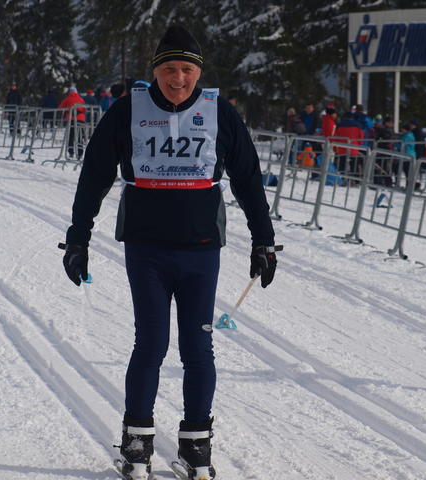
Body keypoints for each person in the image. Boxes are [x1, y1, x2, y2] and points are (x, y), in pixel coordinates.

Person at [59, 25, 280, 480]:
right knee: (151, 343)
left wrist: (263, 240)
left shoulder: (219, 112)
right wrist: (78, 237)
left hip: (201, 250)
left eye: (186, 70)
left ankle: (196, 449)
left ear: (198, 73)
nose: (178, 79)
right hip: (148, 249)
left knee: (199, 347)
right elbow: (95, 175)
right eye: (169, 69)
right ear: (155, 71)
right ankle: (136, 447)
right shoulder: (128, 110)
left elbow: (248, 179)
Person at [58, 86, 86, 159]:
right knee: (79, 136)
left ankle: (71, 152)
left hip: (71, 119)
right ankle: (80, 153)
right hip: (81, 119)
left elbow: (60, 107)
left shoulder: (67, 99)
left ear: (70, 92)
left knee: (71, 135)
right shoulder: (81, 99)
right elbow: (84, 109)